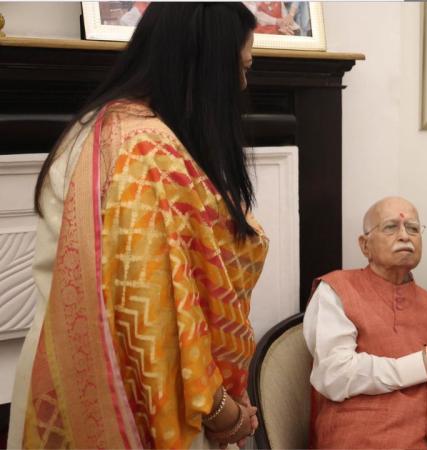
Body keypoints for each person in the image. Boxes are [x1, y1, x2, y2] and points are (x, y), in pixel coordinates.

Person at [9, 3, 267, 449]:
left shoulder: (99, 126)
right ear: (205, 65)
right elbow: (161, 321)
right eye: (241, 68)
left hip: (65, 369)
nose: (243, 84)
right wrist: (225, 413)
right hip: (139, 396)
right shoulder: (146, 151)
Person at [303, 196, 427, 449]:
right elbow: (334, 375)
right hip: (359, 441)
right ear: (365, 245)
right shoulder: (336, 291)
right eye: (391, 227)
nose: (405, 236)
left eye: (413, 228)